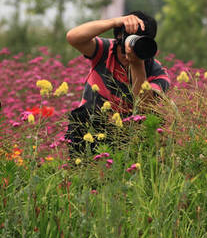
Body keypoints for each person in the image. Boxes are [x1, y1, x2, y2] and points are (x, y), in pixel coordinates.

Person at [64, 11, 170, 155]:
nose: (127, 55)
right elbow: (73, 37)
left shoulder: (156, 71)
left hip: (129, 137)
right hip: (91, 129)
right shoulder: (106, 50)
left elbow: (145, 106)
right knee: (83, 115)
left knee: (156, 125)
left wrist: (137, 64)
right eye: (123, 50)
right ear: (117, 40)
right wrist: (115, 22)